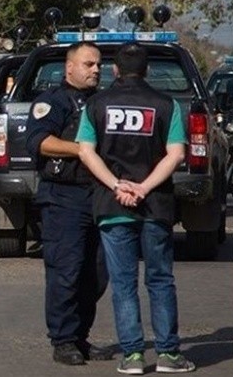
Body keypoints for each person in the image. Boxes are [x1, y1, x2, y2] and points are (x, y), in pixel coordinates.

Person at [77, 42, 194, 374]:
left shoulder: (96, 104)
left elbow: (86, 152)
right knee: (159, 279)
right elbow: (176, 155)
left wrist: (117, 185)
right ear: (147, 71)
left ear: (114, 70)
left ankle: (132, 357)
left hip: (113, 206)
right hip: (155, 205)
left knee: (123, 282)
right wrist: (143, 187)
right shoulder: (167, 105)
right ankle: (169, 354)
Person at [25, 41, 111, 366]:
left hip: (100, 196)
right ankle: (62, 340)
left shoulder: (103, 103)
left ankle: (80, 337)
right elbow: (40, 141)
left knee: (97, 272)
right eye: (89, 64)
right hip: (65, 197)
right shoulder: (53, 101)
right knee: (66, 270)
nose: (96, 70)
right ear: (69, 67)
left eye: (99, 65)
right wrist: (80, 150)